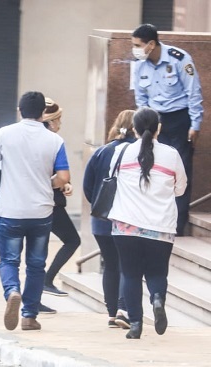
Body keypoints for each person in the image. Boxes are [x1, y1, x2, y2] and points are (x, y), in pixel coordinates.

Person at [0, 91, 70, 331]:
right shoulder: (55, 140)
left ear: (20, 110)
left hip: (10, 209)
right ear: (43, 113)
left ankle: (12, 291)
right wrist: (44, 183)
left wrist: (0, 187)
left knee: (8, 260)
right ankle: (30, 316)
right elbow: (63, 177)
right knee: (35, 264)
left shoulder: (4, 134)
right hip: (41, 211)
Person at [108, 107, 187, 339]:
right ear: (158, 128)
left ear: (134, 128)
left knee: (131, 274)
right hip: (160, 227)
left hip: (125, 225)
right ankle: (157, 298)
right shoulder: (172, 154)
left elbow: (112, 178)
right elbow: (180, 188)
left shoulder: (122, 152)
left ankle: (135, 325)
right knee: (157, 272)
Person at [131, 23, 202, 236]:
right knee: (151, 167)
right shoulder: (139, 64)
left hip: (179, 120)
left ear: (151, 44)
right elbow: (140, 98)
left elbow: (194, 93)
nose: (134, 49)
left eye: (137, 45)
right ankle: (152, 219)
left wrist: (195, 125)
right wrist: (144, 125)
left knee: (180, 169)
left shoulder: (179, 59)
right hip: (154, 121)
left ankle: (177, 224)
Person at [83, 109, 137, 328]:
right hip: (126, 218)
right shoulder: (137, 151)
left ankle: (112, 313)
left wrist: (99, 204)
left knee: (111, 265)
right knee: (127, 264)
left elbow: (88, 186)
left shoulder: (101, 151)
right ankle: (124, 308)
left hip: (101, 219)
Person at [37, 98, 81, 315]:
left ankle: (36, 292)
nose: (60, 123)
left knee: (36, 250)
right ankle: (45, 281)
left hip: (39, 200)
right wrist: (60, 183)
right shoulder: (52, 140)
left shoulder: (29, 137)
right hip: (49, 203)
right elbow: (53, 174)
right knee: (72, 240)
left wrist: (64, 184)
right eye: (58, 119)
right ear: (50, 121)